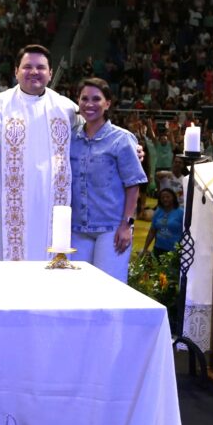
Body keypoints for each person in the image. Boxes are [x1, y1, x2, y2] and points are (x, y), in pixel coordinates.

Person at [0, 44, 79, 261]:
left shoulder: (66, 108)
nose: (34, 72)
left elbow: (93, 137)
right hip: (4, 208)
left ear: (50, 73)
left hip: (47, 206)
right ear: (16, 71)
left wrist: (131, 146)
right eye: (27, 66)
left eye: (40, 67)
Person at [69, 78, 147, 282]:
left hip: (111, 228)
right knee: (77, 289)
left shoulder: (122, 138)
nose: (89, 104)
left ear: (108, 103)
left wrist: (126, 225)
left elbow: (133, 184)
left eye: (96, 99)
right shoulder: (70, 139)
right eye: (84, 98)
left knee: (109, 289)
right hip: (77, 228)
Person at [141, 188, 184, 257]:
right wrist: (145, 248)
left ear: (173, 197)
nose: (165, 199)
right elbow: (152, 231)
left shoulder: (181, 212)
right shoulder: (158, 211)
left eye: (167, 197)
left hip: (174, 251)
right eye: (162, 197)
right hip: (158, 248)